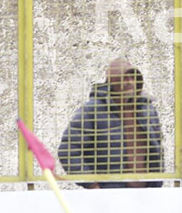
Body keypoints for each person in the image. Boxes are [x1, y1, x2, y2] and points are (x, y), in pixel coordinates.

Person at [58, 58, 164, 188]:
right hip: (110, 193)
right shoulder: (92, 110)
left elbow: (157, 147)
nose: (130, 82)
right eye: (124, 78)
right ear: (112, 82)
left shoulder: (147, 109)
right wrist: (92, 185)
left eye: (133, 78)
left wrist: (157, 181)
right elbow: (68, 150)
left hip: (147, 192)